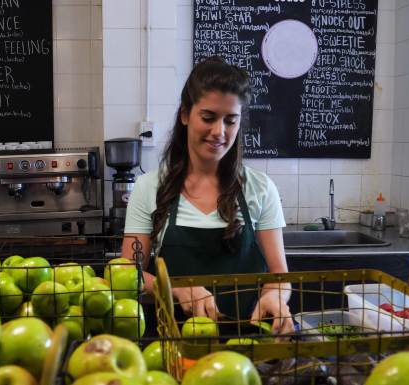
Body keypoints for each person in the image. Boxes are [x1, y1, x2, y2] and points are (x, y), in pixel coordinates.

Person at [120, 56, 294, 335]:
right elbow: (127, 274)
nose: (219, 132)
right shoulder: (149, 187)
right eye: (209, 118)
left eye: (231, 121)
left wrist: (276, 295)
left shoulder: (260, 188)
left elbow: (279, 276)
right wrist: (175, 286)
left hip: (247, 346)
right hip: (172, 346)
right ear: (186, 114)